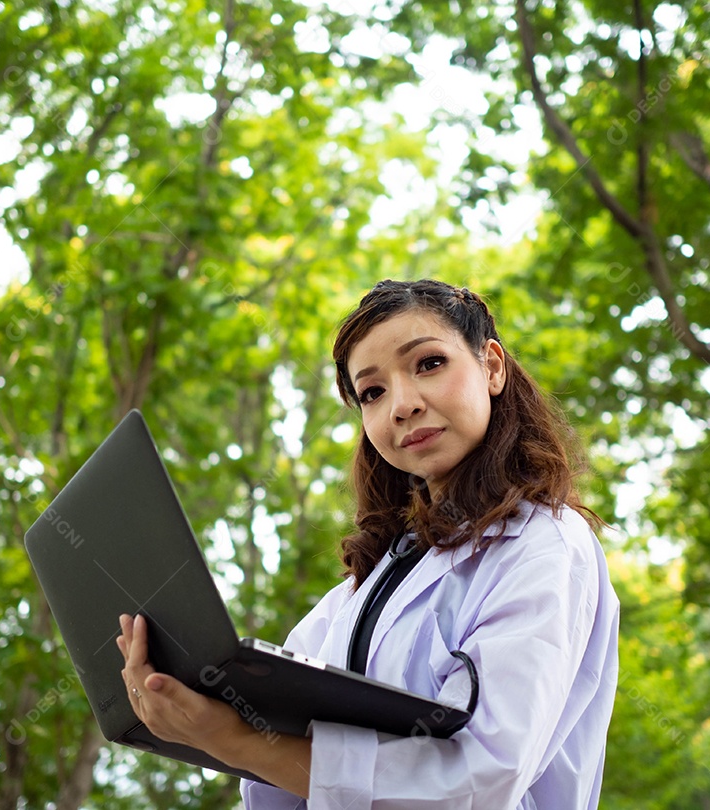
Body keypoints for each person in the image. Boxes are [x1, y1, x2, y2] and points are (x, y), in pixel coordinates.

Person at [117, 278, 620, 809]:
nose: (401, 405)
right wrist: (183, 692)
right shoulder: (368, 584)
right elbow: (279, 737)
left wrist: (237, 744)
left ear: (492, 366)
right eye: (373, 392)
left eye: (428, 363)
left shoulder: (545, 544)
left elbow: (480, 776)